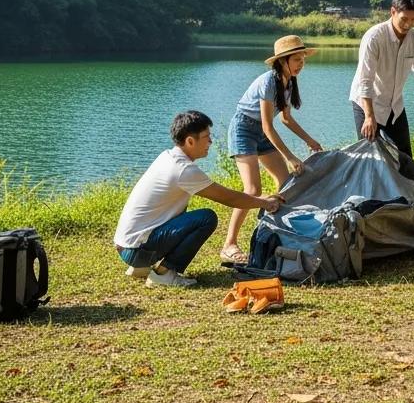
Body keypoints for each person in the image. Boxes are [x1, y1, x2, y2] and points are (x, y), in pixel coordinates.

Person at [114, 110, 281, 288]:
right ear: (190, 141)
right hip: (137, 250)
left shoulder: (167, 157)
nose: (210, 142)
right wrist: (266, 203)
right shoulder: (183, 169)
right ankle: (163, 274)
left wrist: (262, 199)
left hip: (126, 246)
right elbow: (229, 198)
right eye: (206, 137)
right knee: (206, 218)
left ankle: (141, 267)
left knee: (182, 214)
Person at [220, 34, 323, 266]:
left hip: (261, 131)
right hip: (244, 128)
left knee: (285, 183)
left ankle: (275, 229)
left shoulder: (289, 82)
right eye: (296, 60)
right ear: (282, 61)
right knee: (253, 188)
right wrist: (289, 156)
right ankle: (229, 245)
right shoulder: (269, 81)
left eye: (302, 60)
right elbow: (268, 125)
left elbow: (286, 119)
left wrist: (310, 140)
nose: (301, 65)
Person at [349, 0, 414, 157]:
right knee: (370, 159)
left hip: (395, 106)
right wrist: (369, 117)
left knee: (405, 159)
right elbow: (365, 81)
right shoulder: (374, 37)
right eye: (404, 19)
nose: (409, 24)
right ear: (393, 12)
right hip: (368, 105)